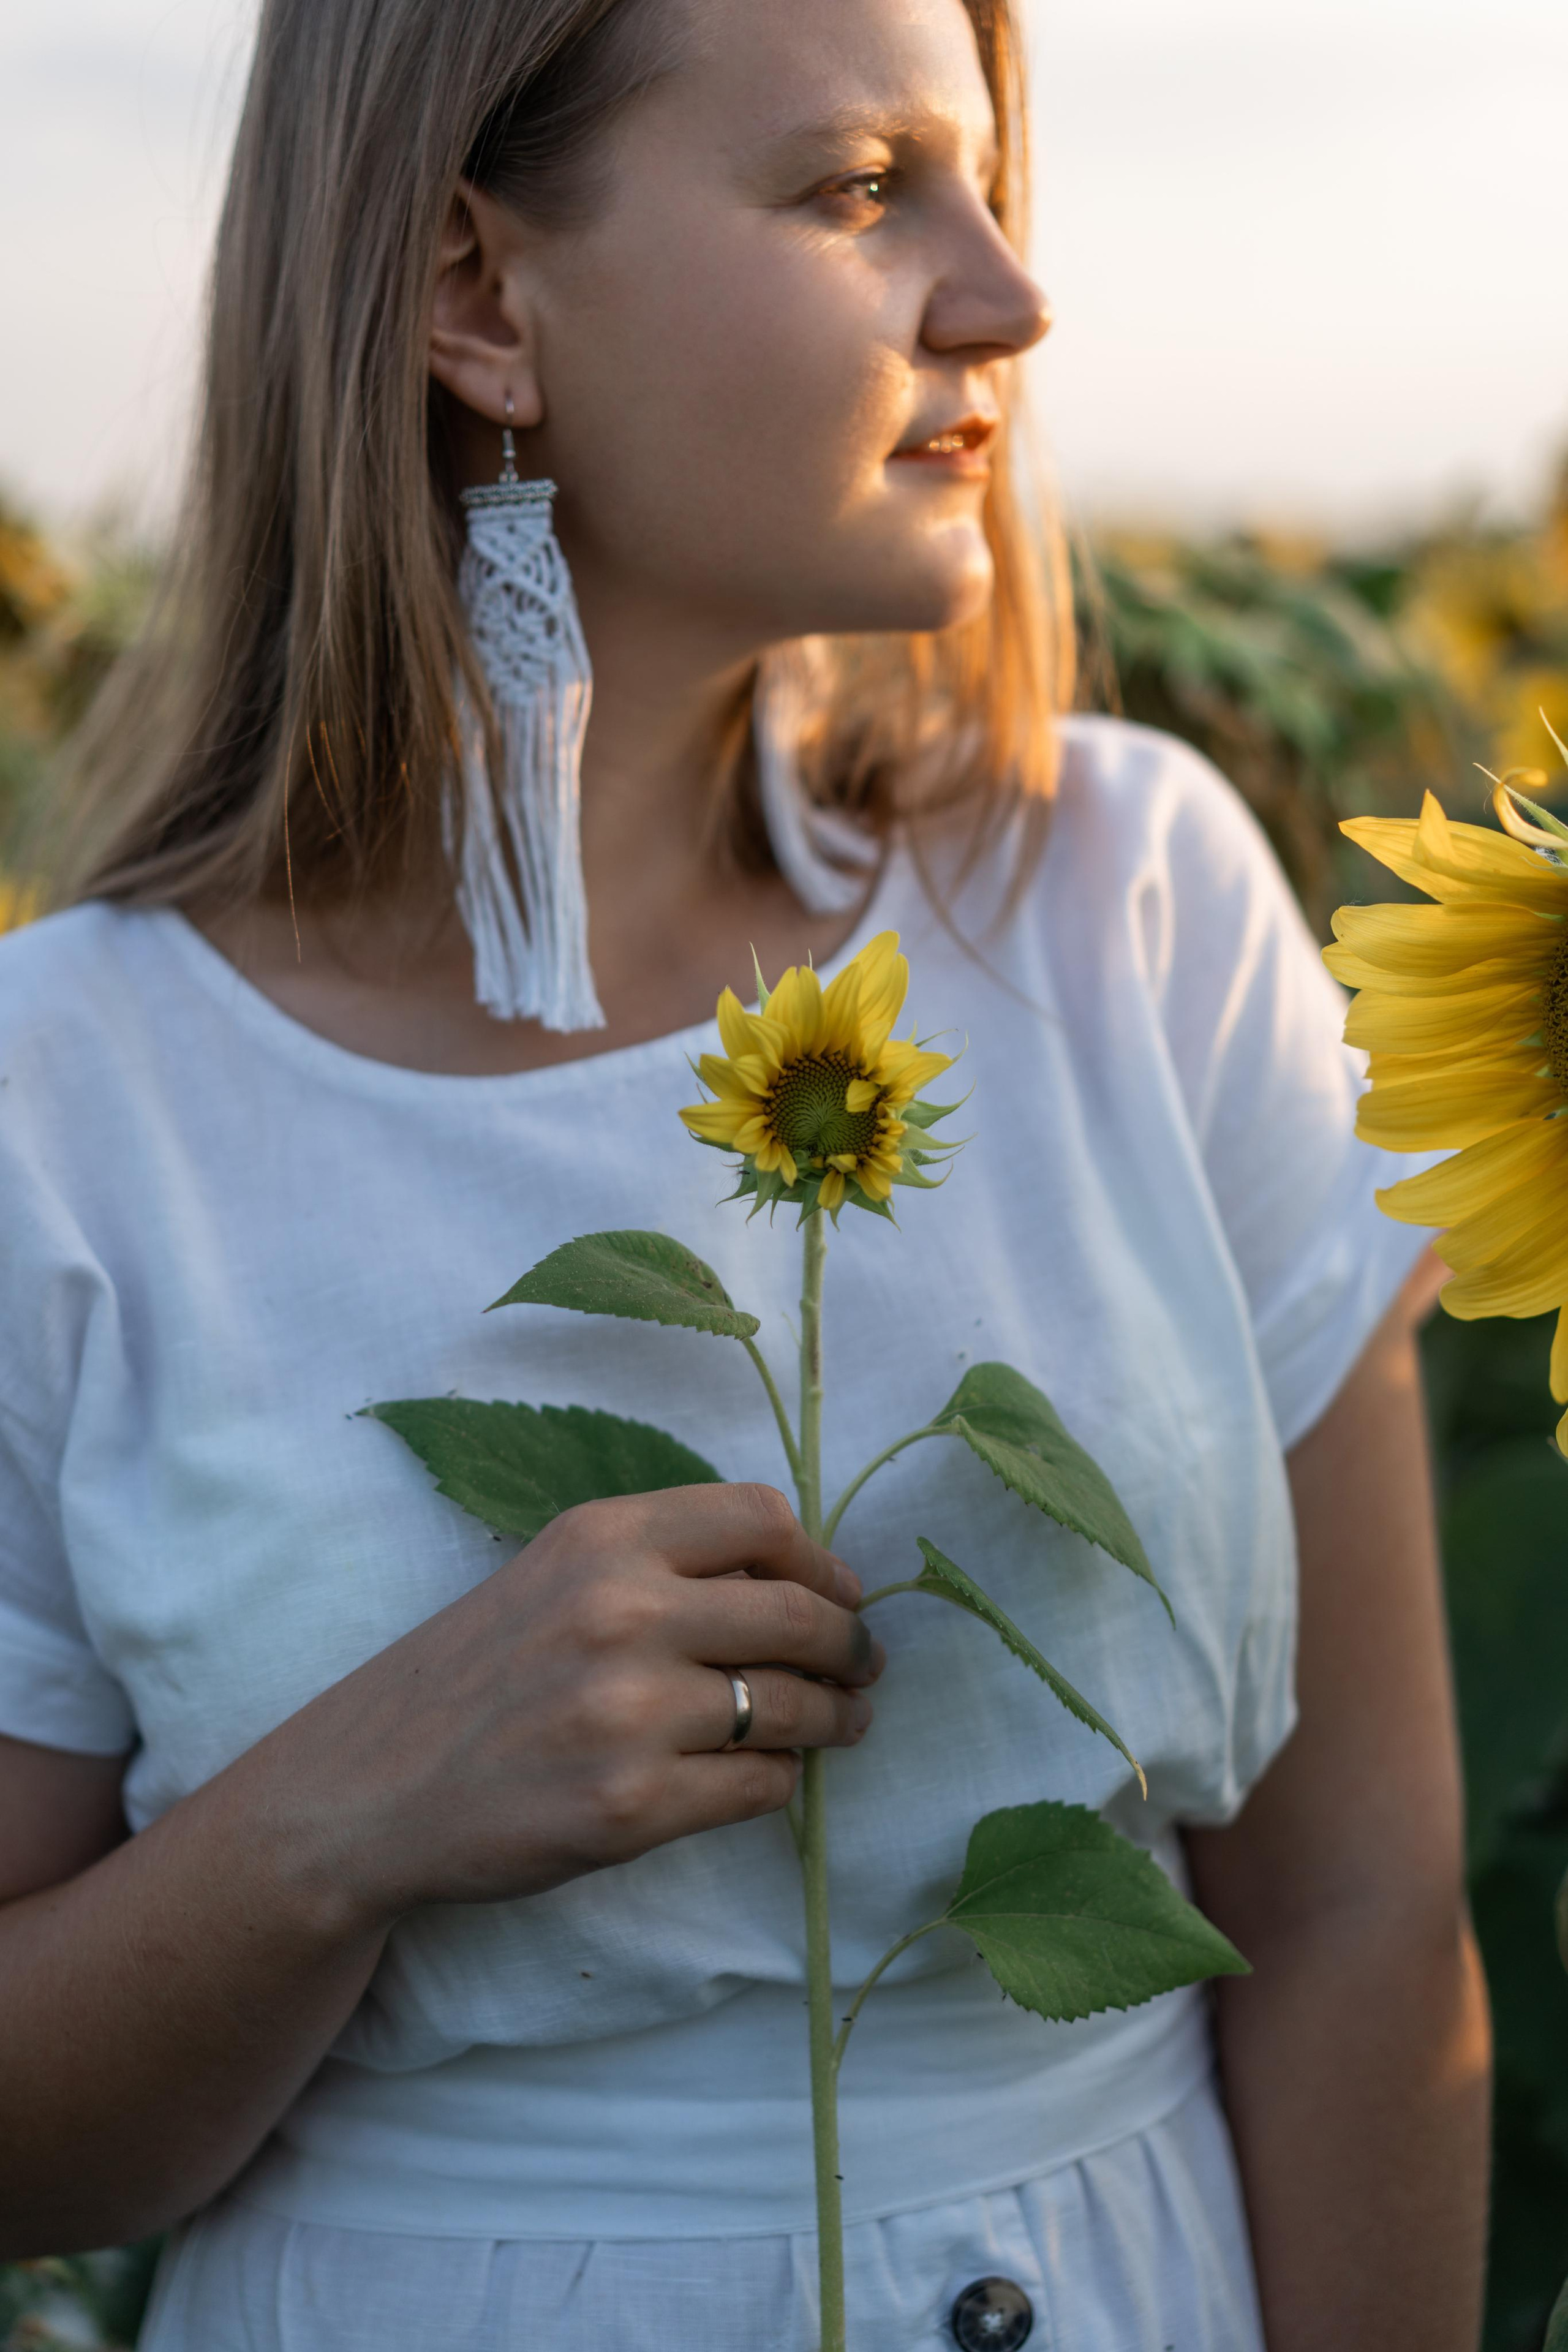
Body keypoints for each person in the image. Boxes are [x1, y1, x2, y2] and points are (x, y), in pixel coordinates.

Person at [0, 0, 1490, 2345]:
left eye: (994, 186)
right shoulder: (72, 1102)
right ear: (480, 299)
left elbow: (1363, 1917)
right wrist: (343, 1816)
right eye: (866, 189)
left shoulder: (1130, 913)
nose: (1007, 295)